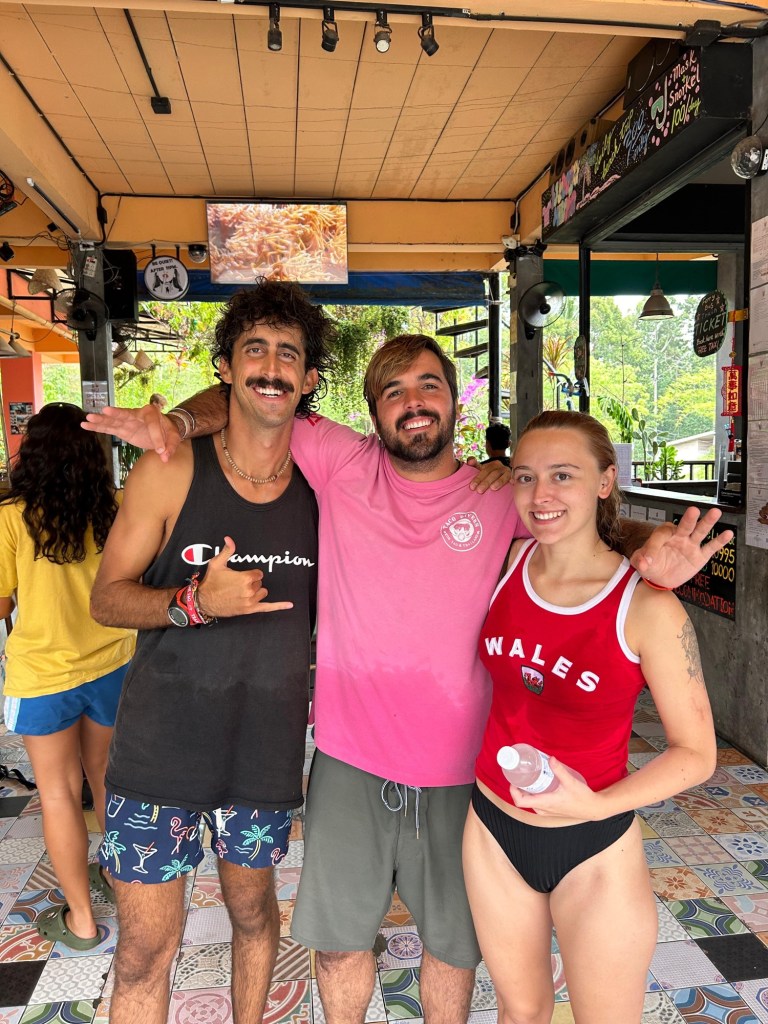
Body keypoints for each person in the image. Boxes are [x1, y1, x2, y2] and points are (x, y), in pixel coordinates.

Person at [83, 332, 731, 1024]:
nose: (413, 402)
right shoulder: (340, 462)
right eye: (392, 391)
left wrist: (647, 545)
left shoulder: (499, 496)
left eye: (428, 386)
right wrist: (178, 421)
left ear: (455, 403)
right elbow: (259, 397)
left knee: (453, 951)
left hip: (464, 777)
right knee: (339, 950)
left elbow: (573, 519)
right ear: (373, 414)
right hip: (349, 763)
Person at [88, 282, 331, 1024]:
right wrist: (193, 603)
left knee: (255, 919)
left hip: (263, 755)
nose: (271, 367)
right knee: (142, 954)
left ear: (309, 379)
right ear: (226, 367)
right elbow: (106, 598)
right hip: (159, 755)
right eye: (254, 349)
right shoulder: (171, 469)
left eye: (288, 353)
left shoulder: (326, 487)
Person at [463, 410, 717, 1024]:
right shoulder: (503, 564)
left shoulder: (647, 606)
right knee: (521, 1012)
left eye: (563, 475)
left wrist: (597, 805)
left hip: (594, 845)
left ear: (605, 481)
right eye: (525, 476)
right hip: (492, 828)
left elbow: (696, 754)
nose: (540, 495)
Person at [0, 403, 135, 949]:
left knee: (57, 794)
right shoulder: (114, 508)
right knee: (106, 780)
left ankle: (81, 920)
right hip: (112, 663)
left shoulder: (12, 517)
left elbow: (1, 603)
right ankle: (122, 884)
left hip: (43, 676)